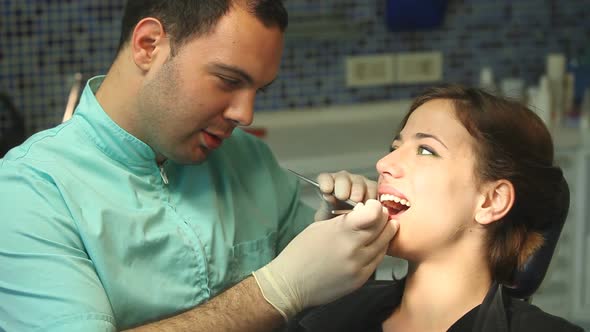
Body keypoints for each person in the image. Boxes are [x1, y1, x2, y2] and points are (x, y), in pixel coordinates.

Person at [0, 1, 399, 331]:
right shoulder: (28, 192)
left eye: (256, 91)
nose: (245, 114)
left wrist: (343, 239)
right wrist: (275, 290)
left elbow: (326, 303)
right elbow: (288, 286)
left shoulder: (249, 159)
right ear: (148, 44)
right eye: (227, 80)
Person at [284, 85, 585, 332]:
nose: (384, 165)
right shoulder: (330, 317)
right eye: (394, 147)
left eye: (426, 150)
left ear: (491, 201)